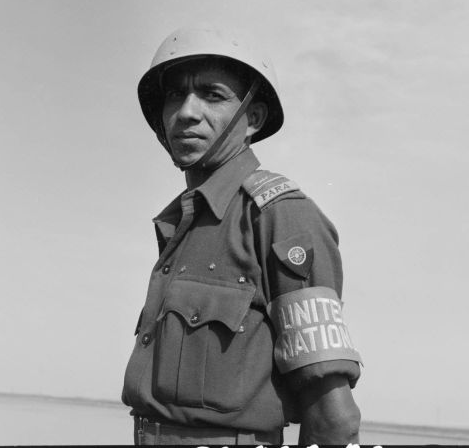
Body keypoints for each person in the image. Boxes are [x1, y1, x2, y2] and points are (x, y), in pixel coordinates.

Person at [122, 25, 363, 445]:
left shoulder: (279, 217)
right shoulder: (184, 223)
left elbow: (333, 417)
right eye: (176, 95)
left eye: (212, 96)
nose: (187, 112)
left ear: (252, 119)